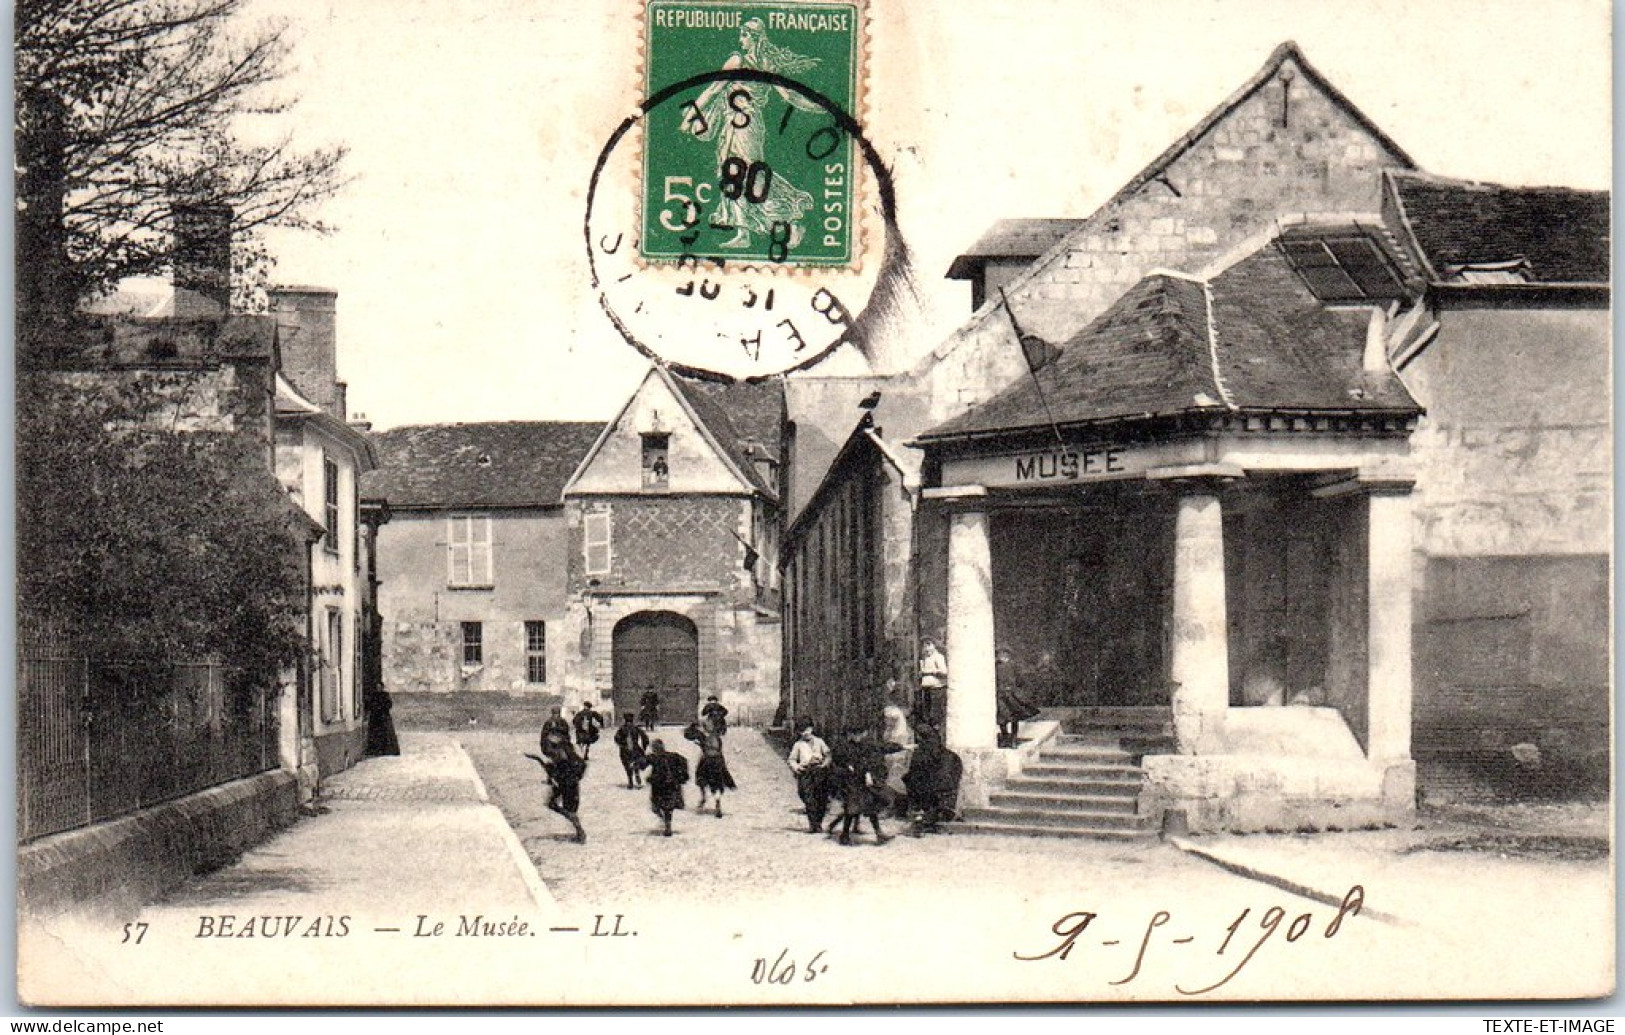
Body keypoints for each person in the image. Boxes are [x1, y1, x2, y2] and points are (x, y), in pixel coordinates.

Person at [683, 18, 823, 249]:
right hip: (735, 125)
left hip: (746, 128)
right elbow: (714, 88)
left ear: (755, 38)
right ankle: (746, 233)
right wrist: (692, 116)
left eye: (745, 35)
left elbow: (789, 95)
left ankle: (781, 222)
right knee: (735, 175)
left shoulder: (750, 62)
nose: (741, 40)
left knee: (747, 174)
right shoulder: (750, 61)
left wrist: (818, 106)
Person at [829, 725, 892, 846]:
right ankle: (845, 835)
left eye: (861, 734)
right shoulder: (843, 746)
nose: (859, 737)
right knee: (851, 808)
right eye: (855, 734)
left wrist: (867, 773)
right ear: (850, 734)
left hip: (861, 780)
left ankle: (879, 834)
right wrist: (847, 765)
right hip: (848, 781)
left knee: (870, 804)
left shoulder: (864, 746)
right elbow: (838, 760)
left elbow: (866, 760)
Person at [524, 727, 587, 844]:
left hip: (567, 783)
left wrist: (545, 765)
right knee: (554, 804)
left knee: (567, 809)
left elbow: (559, 768)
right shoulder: (566, 751)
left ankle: (580, 832)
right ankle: (579, 831)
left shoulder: (562, 754)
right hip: (564, 783)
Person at [903, 721, 963, 836]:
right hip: (941, 785)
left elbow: (915, 769)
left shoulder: (921, 751)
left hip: (928, 786)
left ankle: (921, 821)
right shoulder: (942, 750)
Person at [685, 716, 736, 817]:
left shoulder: (702, 735)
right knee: (717, 783)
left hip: (707, 761)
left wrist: (693, 726)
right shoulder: (716, 736)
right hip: (717, 761)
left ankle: (704, 797)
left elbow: (687, 735)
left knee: (701, 778)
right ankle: (717, 803)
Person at [786, 721, 832, 834]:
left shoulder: (819, 741)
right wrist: (796, 767)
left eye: (807, 729)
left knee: (821, 798)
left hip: (819, 771)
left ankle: (818, 824)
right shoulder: (798, 745)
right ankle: (813, 824)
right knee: (807, 797)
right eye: (802, 731)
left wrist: (825, 764)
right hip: (806, 772)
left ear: (811, 729)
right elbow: (791, 759)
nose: (805, 733)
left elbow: (828, 755)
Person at [995, 648, 1040, 748]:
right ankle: (1005, 737)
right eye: (999, 654)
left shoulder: (1014, 666)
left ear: (1007, 655)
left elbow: (1020, 680)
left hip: (1012, 695)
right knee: (1002, 718)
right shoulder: (996, 667)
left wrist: (1016, 690)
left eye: (1003, 654)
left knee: (1014, 718)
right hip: (1000, 695)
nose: (1000, 656)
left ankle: (1014, 739)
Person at [645, 738, 690, 837]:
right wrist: (682, 774)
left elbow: (643, 763)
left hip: (659, 785)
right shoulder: (673, 756)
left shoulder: (654, 757)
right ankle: (667, 824)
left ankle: (665, 822)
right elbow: (684, 761)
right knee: (668, 807)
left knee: (656, 805)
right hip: (672, 784)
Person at [614, 712, 650, 789]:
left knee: (627, 765)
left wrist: (622, 744)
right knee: (636, 762)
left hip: (625, 750)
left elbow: (616, 738)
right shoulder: (636, 728)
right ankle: (637, 772)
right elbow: (645, 738)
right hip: (635, 749)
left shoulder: (621, 729)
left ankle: (630, 781)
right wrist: (644, 747)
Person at [918, 639, 948, 728]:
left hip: (936, 687)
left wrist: (931, 671)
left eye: (929, 645)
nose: (927, 649)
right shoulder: (924, 658)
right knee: (927, 708)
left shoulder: (938, 657)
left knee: (936, 710)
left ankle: (936, 726)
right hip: (926, 687)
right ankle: (929, 725)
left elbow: (944, 672)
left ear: (934, 646)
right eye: (925, 646)